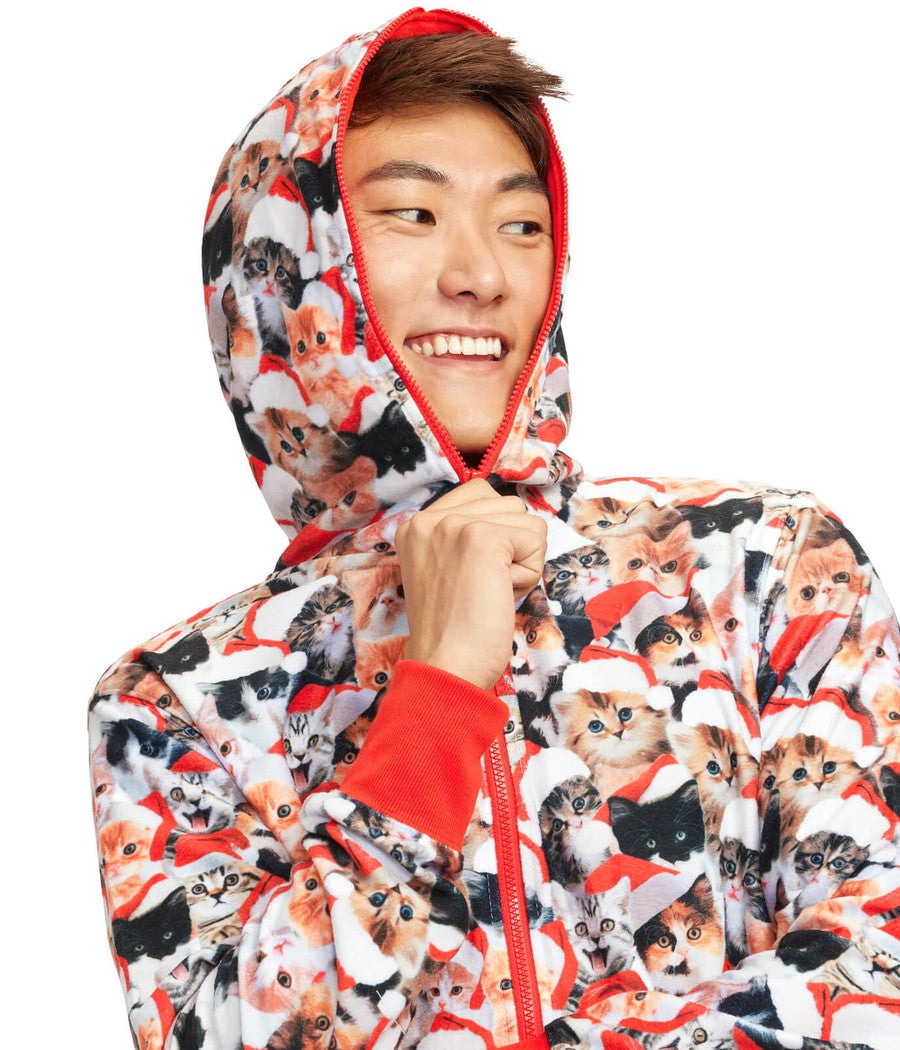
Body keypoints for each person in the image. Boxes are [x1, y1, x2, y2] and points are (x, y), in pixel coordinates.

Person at [87, 7, 900, 1050]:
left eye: (521, 224)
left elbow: (875, 971)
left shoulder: (764, 565)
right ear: (285, 270)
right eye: (413, 215)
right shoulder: (175, 708)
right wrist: (434, 699)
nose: (482, 274)